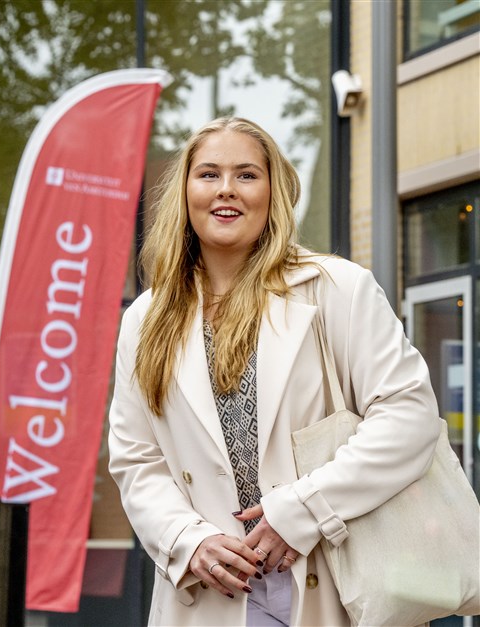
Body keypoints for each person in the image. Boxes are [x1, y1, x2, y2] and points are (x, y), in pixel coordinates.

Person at [107, 117, 441, 626]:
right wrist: (185, 540)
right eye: (208, 174)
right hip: (209, 592)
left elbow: (409, 415)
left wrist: (302, 512)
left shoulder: (337, 289)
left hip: (331, 576)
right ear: (185, 192)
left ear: (273, 191)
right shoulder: (146, 319)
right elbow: (137, 461)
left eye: (246, 175)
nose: (226, 190)